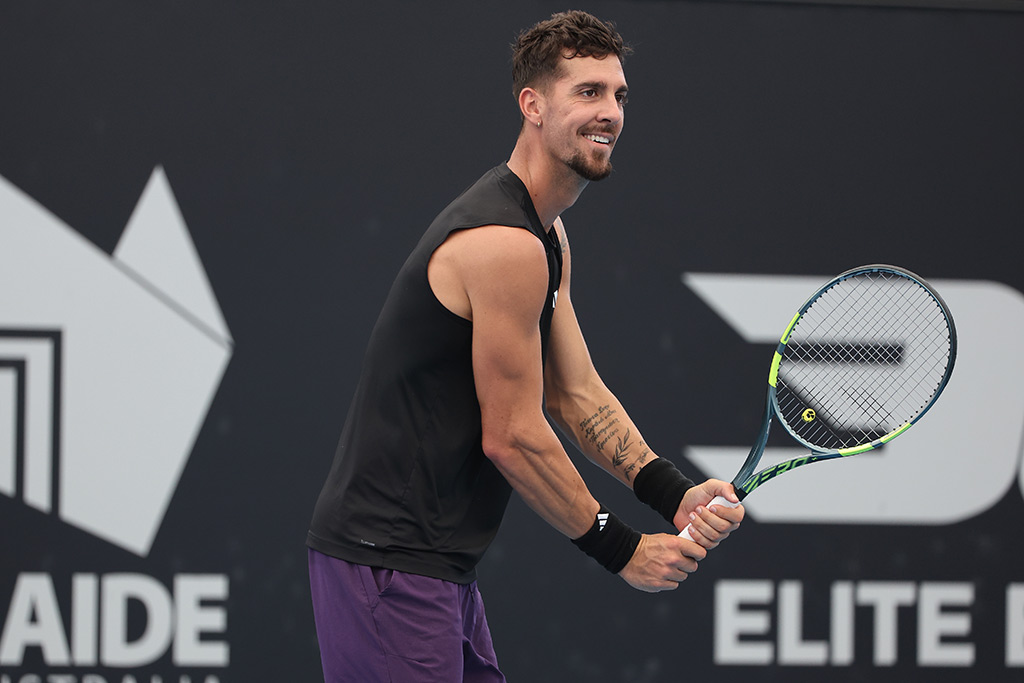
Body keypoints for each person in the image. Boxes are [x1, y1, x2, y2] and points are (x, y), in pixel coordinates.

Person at [307, 10, 745, 682]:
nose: (610, 112)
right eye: (588, 92)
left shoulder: (546, 236)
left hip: (438, 566)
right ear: (532, 105)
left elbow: (574, 393)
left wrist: (671, 494)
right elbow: (511, 435)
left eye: (619, 94)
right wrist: (623, 550)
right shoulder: (505, 245)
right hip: (388, 565)